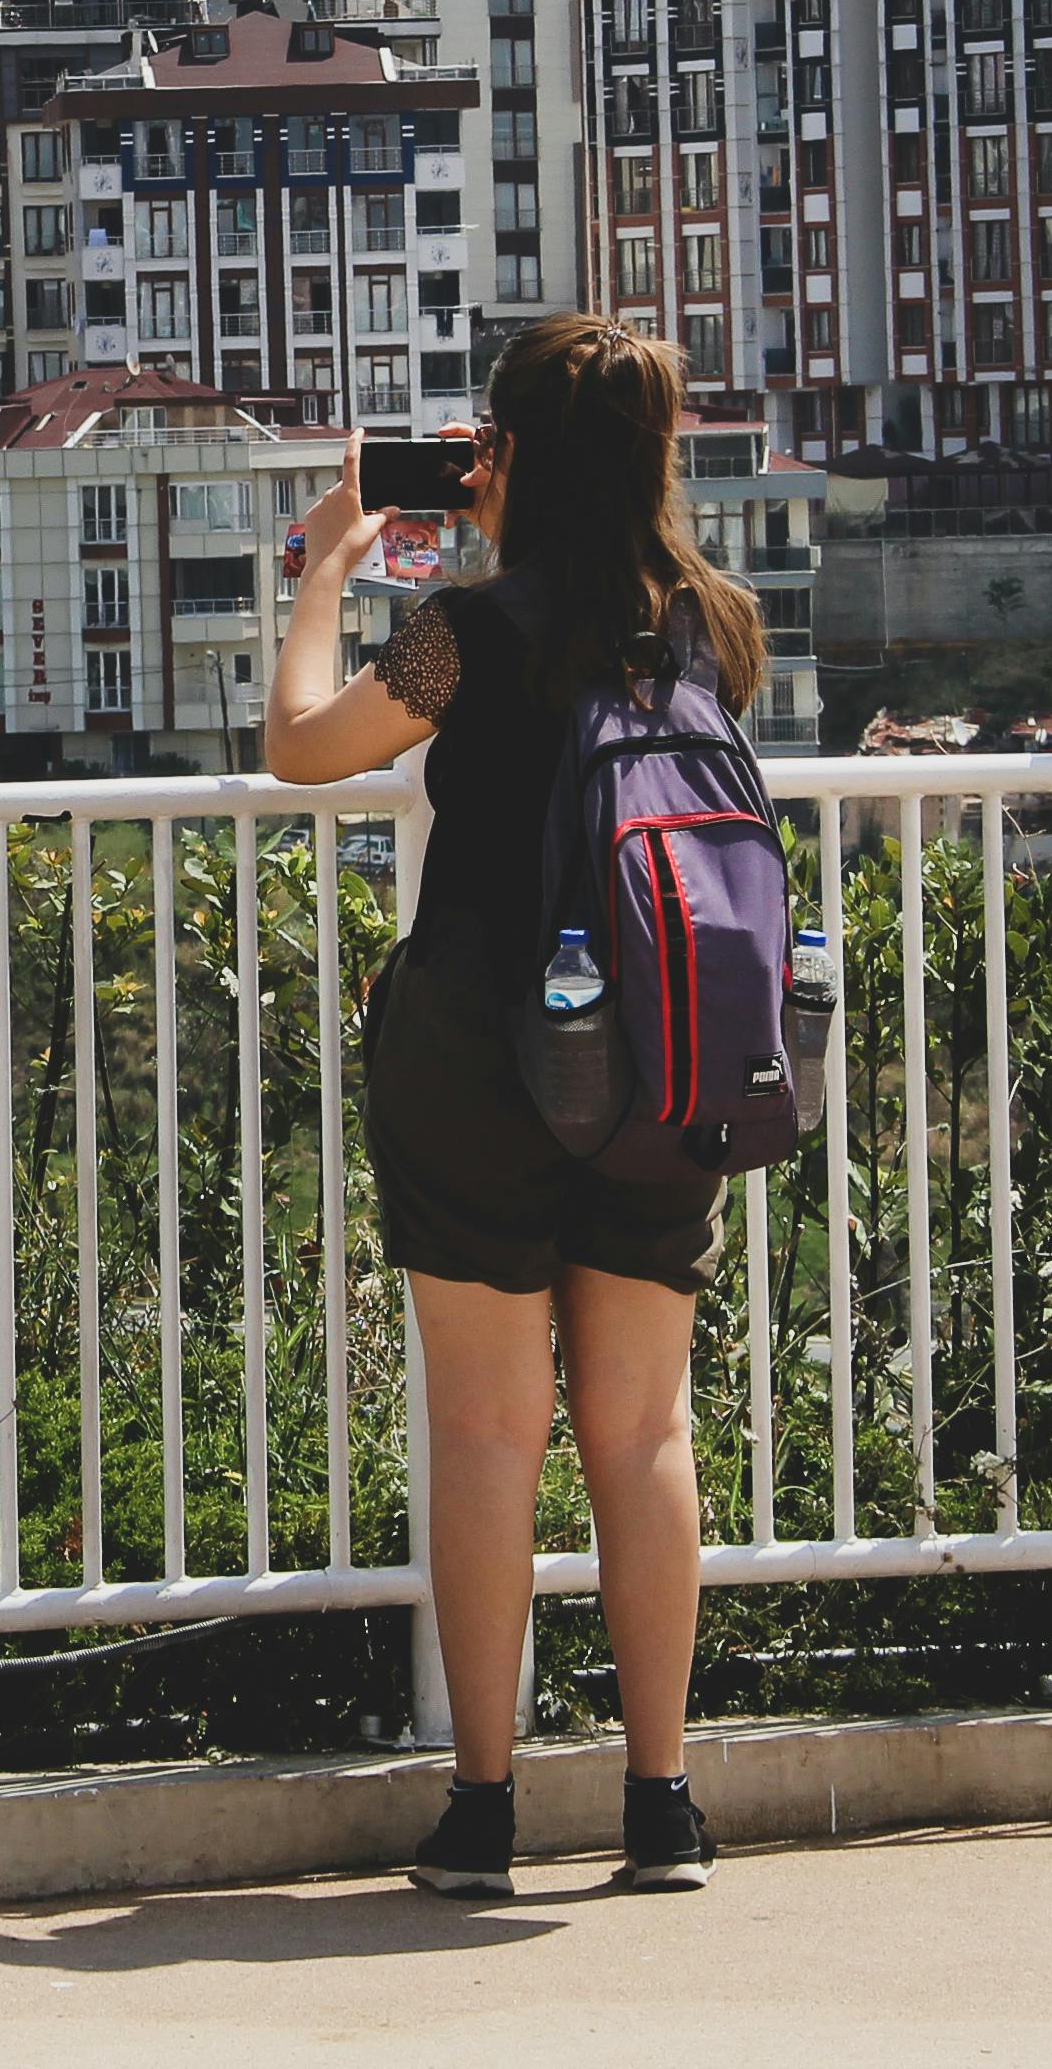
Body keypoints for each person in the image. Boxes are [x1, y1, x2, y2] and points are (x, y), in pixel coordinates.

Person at [266, 313, 763, 1897]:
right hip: (668, 1057)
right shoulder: (713, 624)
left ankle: (482, 1810)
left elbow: (300, 751)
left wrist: (333, 568)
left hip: (483, 1052)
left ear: (512, 456)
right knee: (643, 1425)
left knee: (491, 1430)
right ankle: (662, 1804)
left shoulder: (464, 632)